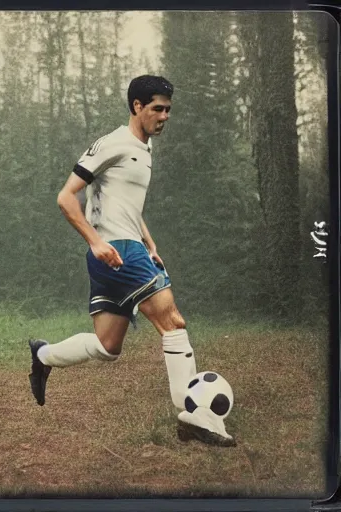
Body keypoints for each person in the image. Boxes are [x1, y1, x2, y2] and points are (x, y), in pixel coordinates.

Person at [27, 75, 235, 447]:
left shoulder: (144, 148)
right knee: (173, 322)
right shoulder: (114, 144)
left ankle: (43, 355)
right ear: (137, 107)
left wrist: (150, 242)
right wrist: (95, 242)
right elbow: (65, 197)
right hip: (117, 251)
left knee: (107, 346)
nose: (165, 116)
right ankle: (193, 416)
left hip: (124, 250)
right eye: (158, 108)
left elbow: (128, 208)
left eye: (169, 110)